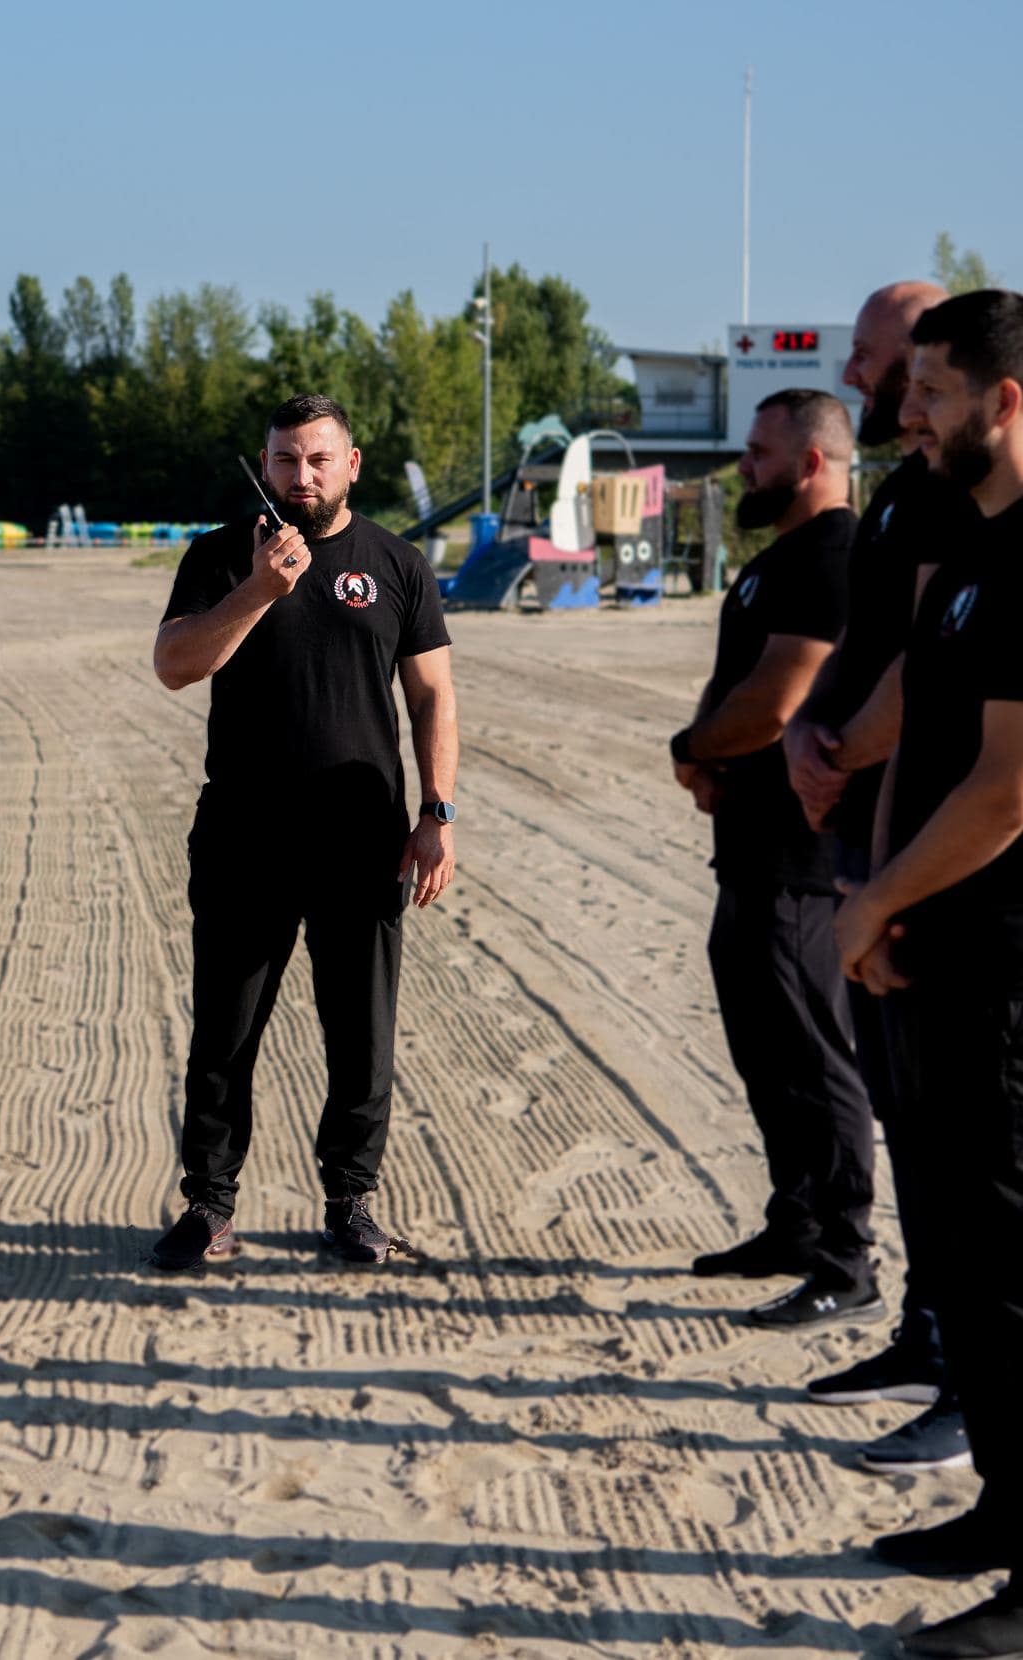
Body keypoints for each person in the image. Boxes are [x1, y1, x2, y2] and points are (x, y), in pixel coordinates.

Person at [149, 393, 458, 1270]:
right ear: (266, 462)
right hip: (245, 835)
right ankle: (209, 1205)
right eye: (286, 460)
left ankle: (351, 1202)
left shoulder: (395, 564)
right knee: (226, 1029)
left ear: (351, 464)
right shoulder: (220, 556)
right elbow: (175, 666)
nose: (302, 477)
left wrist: (437, 813)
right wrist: (259, 588)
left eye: (319, 460)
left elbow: (433, 696)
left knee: (360, 1031)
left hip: (362, 840)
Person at [836, 290, 1023, 1658]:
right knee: (964, 1252)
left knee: (1010, 1265)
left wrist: (880, 896)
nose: (916, 412)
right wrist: (886, 899)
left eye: (939, 390)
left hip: (1007, 973)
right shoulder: (978, 555)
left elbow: (1012, 794)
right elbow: (933, 740)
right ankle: (1002, 1519)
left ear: (1004, 402)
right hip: (940, 946)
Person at [782, 283, 973, 1473]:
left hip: (934, 852)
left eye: (872, 354)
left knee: (967, 1140)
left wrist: (842, 749)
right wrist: (818, 735)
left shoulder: (976, 507)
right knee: (913, 1115)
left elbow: (935, 683)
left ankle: (972, 1381)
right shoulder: (909, 492)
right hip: (873, 829)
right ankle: (924, 1331)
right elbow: (877, 651)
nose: (859, 373)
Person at [670, 389, 877, 1328]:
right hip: (747, 853)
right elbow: (737, 684)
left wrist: (705, 747)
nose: (745, 466)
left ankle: (846, 1258)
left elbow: (780, 696)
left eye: (760, 453)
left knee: (817, 1055)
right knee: (767, 1050)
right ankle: (794, 1222)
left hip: (802, 858)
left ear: (815, 462)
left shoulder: (836, 557)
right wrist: (703, 749)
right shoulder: (778, 560)